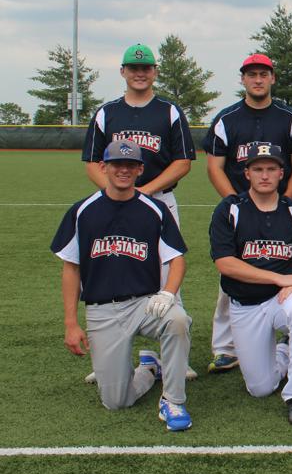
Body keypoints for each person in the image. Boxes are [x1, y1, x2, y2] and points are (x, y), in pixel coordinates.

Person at [51, 140, 193, 431]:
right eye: (117, 164)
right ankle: (149, 368)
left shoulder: (154, 209)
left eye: (130, 165)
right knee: (116, 401)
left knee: (177, 319)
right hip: (102, 310)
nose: (123, 170)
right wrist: (70, 323)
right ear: (104, 167)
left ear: (140, 169)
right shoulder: (83, 211)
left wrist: (168, 293)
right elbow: (71, 268)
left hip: (145, 303)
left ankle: (173, 400)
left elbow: (177, 260)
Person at [81, 42, 197, 382]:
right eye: (134, 67)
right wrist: (116, 192)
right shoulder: (107, 113)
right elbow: (92, 161)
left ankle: (175, 357)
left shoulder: (169, 111)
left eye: (146, 68)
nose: (140, 73)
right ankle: (109, 356)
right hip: (114, 203)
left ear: (155, 72)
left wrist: (142, 192)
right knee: (113, 269)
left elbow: (183, 161)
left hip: (159, 200)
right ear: (123, 72)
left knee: (167, 275)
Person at [203, 53, 292, 375]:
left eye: (263, 74)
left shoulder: (288, 118)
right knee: (232, 277)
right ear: (243, 79)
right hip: (240, 209)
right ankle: (224, 347)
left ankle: (290, 336)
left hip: (279, 204)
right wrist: (235, 205)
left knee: (285, 268)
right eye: (252, 74)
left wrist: (285, 202)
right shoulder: (227, 118)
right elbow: (215, 167)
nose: (257, 79)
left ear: (272, 78)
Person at [209, 143, 292, 425]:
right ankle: (285, 350)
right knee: (259, 389)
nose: (264, 175)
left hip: (282, 299)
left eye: (271, 169)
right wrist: (278, 277)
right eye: (258, 169)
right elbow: (225, 263)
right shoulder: (230, 209)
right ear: (246, 173)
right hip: (245, 304)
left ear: (281, 173)